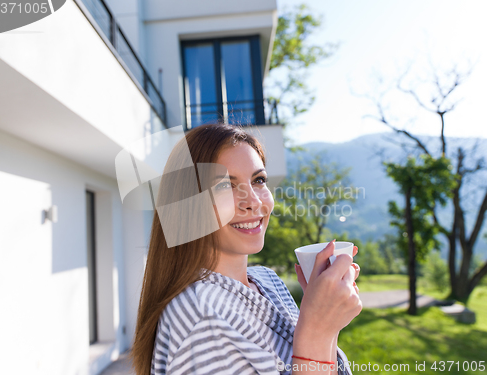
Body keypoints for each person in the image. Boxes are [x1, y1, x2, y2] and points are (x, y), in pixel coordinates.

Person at [131, 124, 362, 375]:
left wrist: (325, 315)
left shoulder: (267, 281)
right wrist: (318, 330)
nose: (253, 201)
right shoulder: (200, 317)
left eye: (258, 180)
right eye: (224, 185)